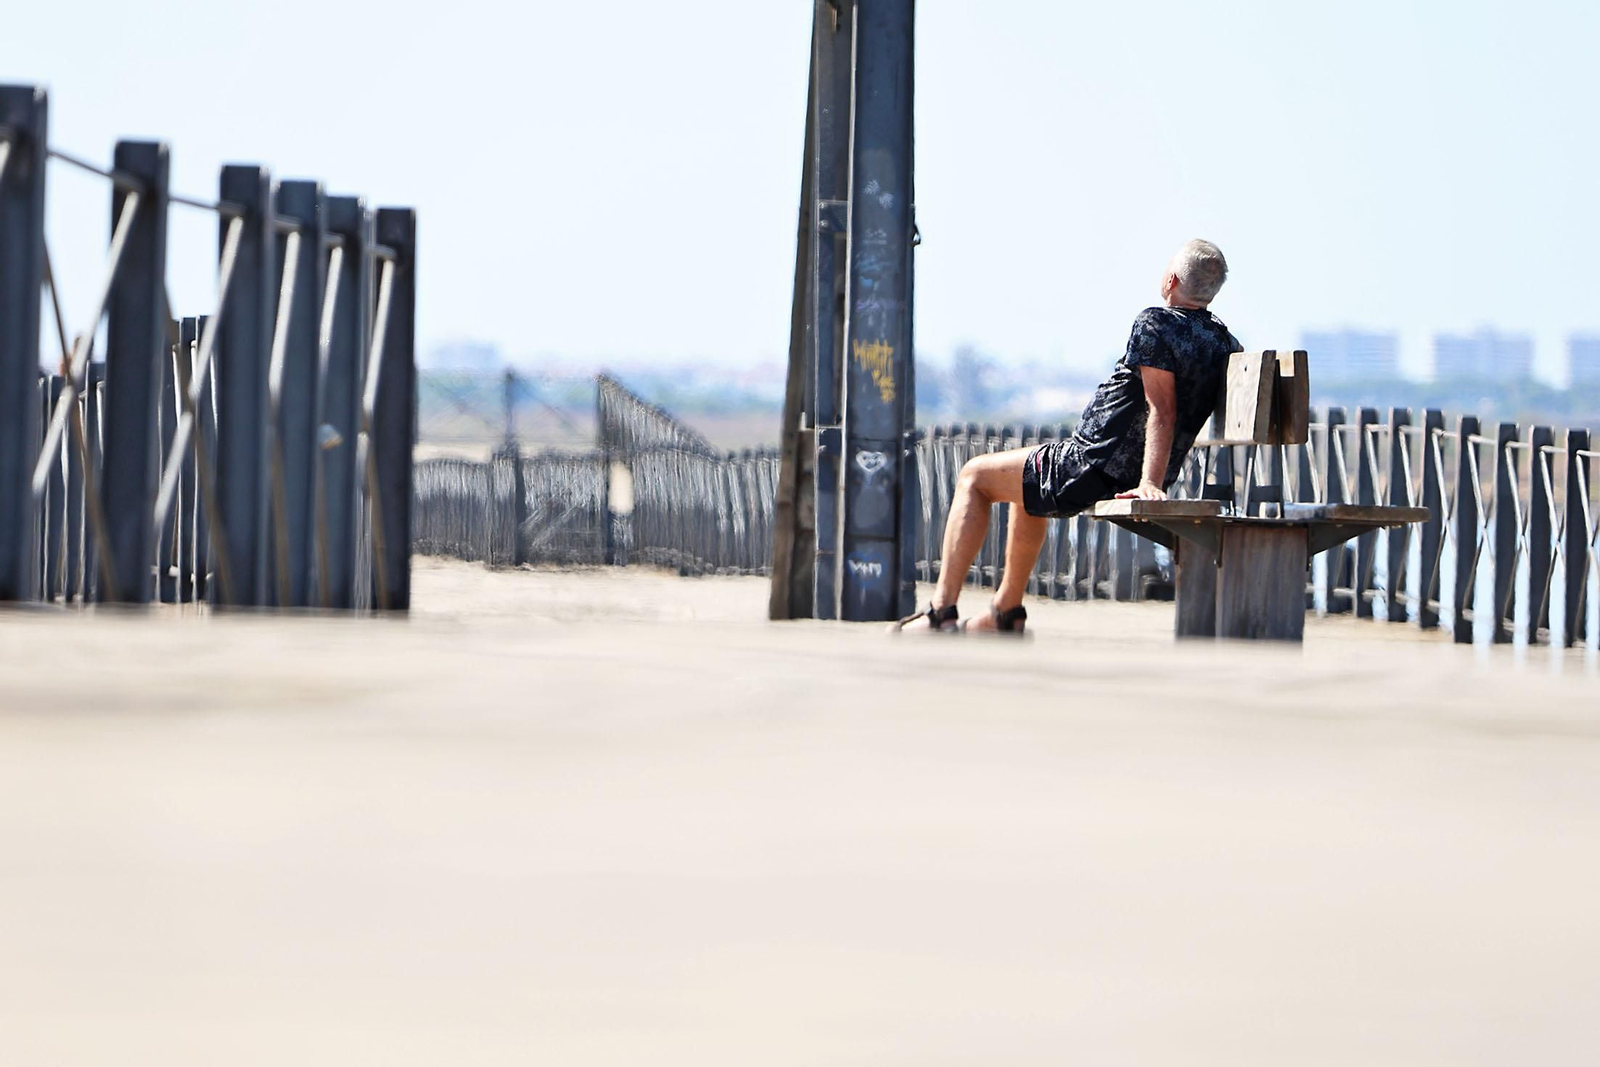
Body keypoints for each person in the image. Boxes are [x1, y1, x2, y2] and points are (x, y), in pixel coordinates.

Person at [895, 239, 1241, 634]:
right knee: (1026, 487)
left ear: (1172, 280)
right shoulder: (1223, 341)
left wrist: (1149, 483)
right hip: (1120, 467)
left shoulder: (1156, 323)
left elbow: (1163, 409)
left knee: (974, 476)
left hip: (1094, 464)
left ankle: (941, 613)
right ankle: (1005, 613)